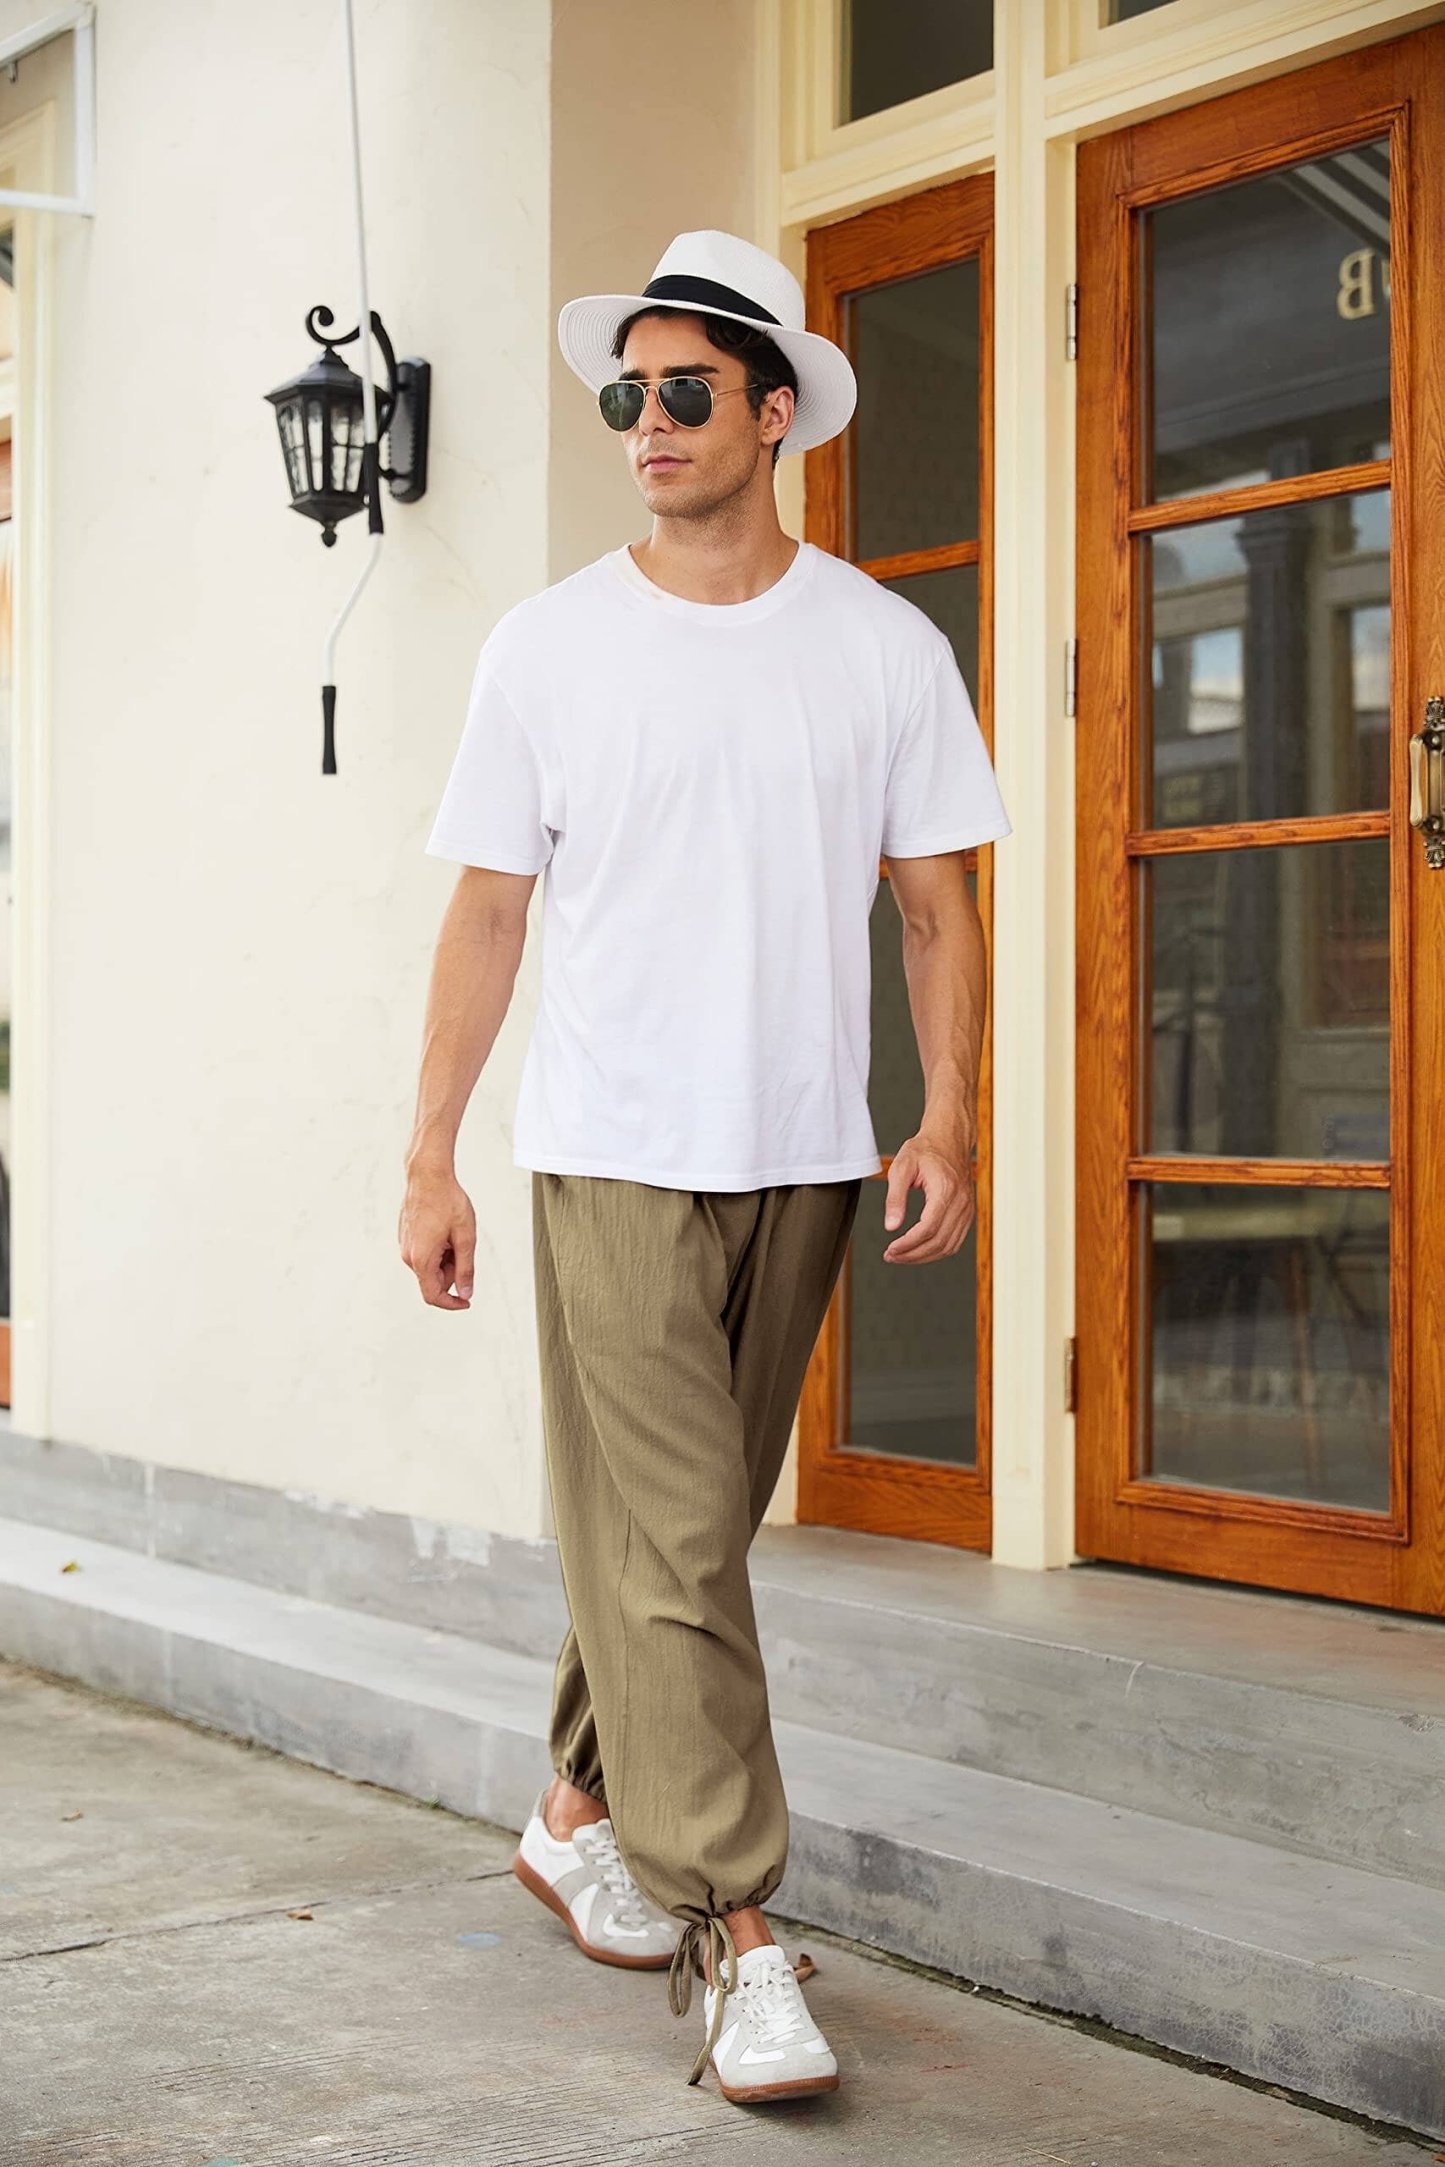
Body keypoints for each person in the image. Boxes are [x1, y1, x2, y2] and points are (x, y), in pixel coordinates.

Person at [399, 229, 1009, 2104]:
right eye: (624, 394)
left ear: (773, 413)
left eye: (681, 391)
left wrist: (946, 1114)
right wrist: (429, 1154)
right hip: (608, 1151)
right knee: (670, 1546)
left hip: (803, 1154)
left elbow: (936, 908)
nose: (645, 422)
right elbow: (486, 914)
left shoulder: (882, 647)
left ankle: (573, 1808)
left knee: (683, 1538)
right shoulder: (549, 647)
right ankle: (741, 1937)